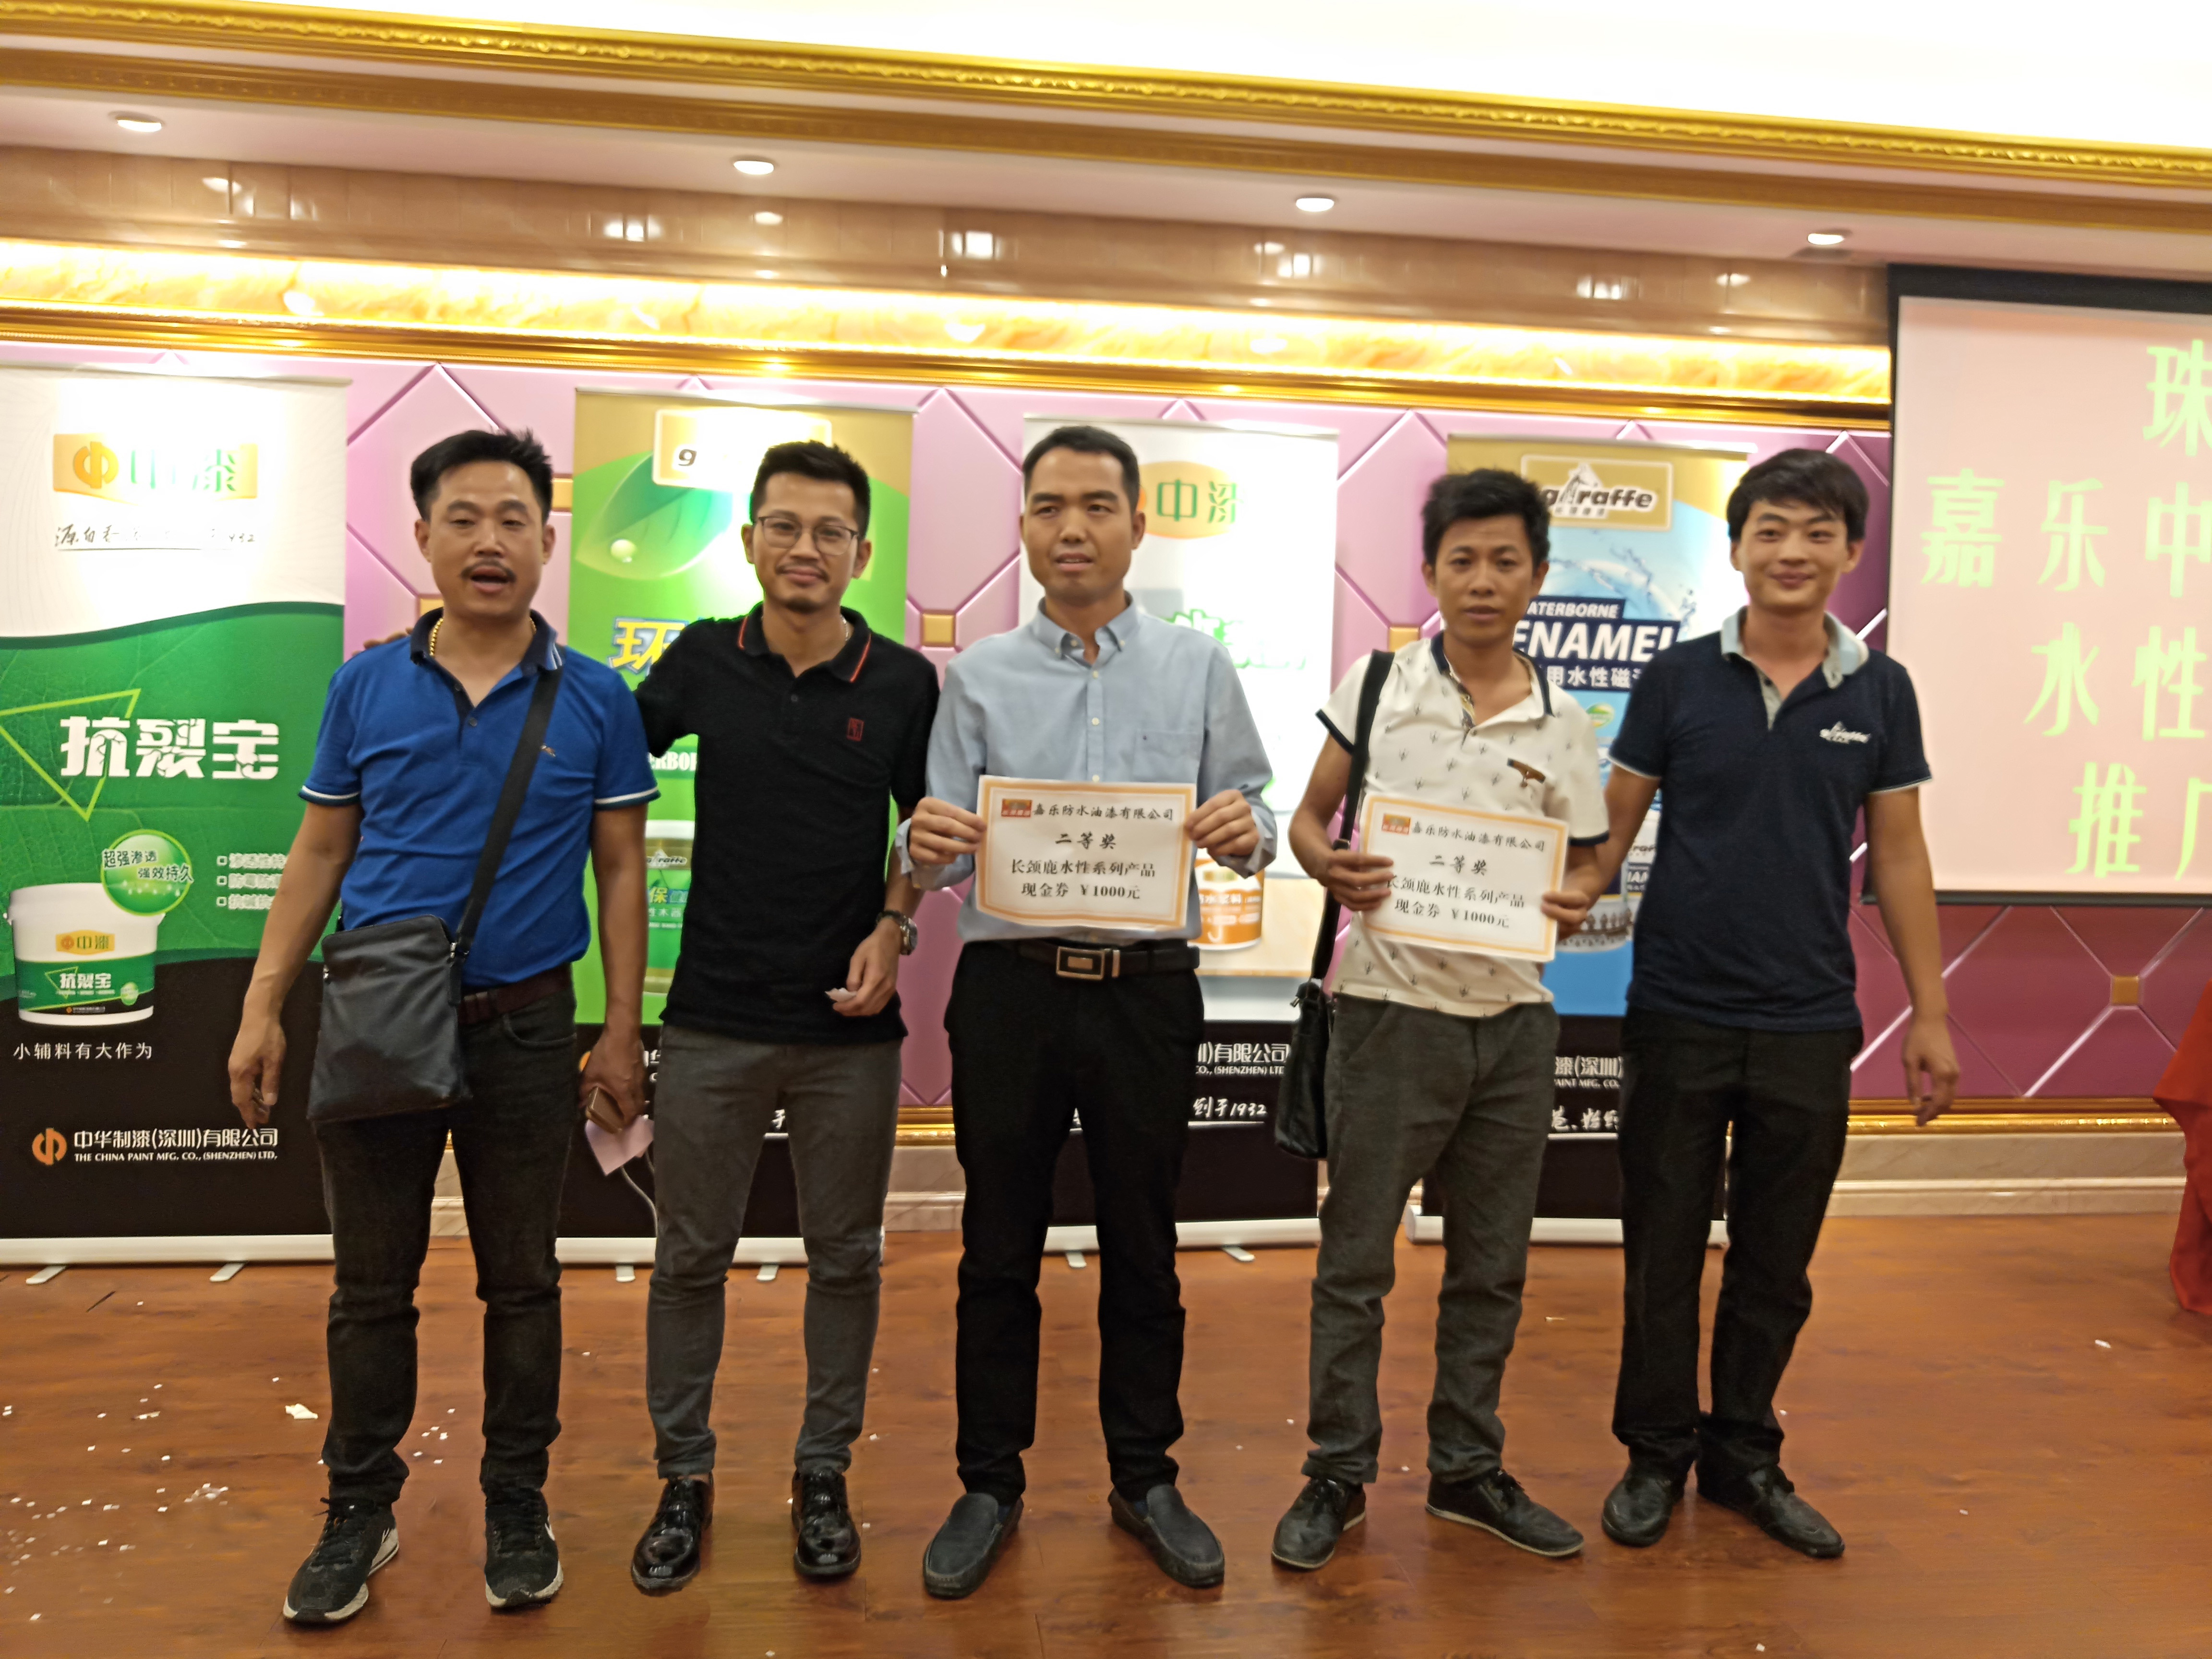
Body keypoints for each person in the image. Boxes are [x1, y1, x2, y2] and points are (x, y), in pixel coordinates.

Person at [227, 428, 655, 1623]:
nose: (489, 541)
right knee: (370, 1288)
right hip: (377, 1018)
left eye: (513, 519)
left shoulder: (596, 697)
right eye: (463, 518)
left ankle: (517, 1501)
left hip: (529, 1028)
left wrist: (623, 1029)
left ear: (548, 542)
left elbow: (622, 870)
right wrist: (263, 1005)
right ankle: (357, 1510)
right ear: (423, 537)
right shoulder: (365, 686)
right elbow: (322, 849)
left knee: (523, 1282)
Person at [1563, 447, 1960, 1560]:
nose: (1793, 551)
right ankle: (1654, 1452)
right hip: (1678, 1007)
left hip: (1808, 1017)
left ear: (1851, 550)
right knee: (1663, 1251)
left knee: (1777, 1261)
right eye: (1771, 531)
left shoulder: (1882, 690)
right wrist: (1558, 893)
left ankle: (1744, 1455)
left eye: (1818, 532)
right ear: (1737, 549)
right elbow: (1614, 826)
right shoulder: (1678, 678)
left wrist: (1931, 1015)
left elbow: (1901, 855)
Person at [903, 424, 1275, 1598]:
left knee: (1144, 1244)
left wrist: (1246, 832)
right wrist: (922, 845)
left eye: (1098, 506)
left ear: (1137, 525)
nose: (1073, 528)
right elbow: (941, 854)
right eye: (1050, 506)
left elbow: (1252, 820)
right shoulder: (978, 676)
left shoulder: (1198, 667)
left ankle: (1146, 1477)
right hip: (1010, 993)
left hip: (1146, 995)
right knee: (996, 1245)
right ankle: (988, 1483)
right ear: (1022, 526)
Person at [1268, 469, 1608, 1572]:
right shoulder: (1378, 686)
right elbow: (1308, 820)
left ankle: (1467, 1468)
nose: (1483, 580)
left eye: (1507, 560)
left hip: (1514, 1026)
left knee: (1491, 1264)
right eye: (1463, 559)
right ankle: (1336, 1471)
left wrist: (1581, 893)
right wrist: (1331, 866)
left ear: (1538, 577)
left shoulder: (1567, 724)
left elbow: (1590, 859)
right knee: (1355, 1260)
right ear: (1430, 572)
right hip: (1388, 1014)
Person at [624, 441, 939, 1593]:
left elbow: (929, 831)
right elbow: (606, 759)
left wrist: (896, 924)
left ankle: (822, 1473)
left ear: (862, 551)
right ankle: (684, 1477)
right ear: (752, 538)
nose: (807, 549)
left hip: (849, 1031)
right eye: (786, 528)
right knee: (687, 1260)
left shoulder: (902, 682)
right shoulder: (704, 658)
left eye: (831, 532)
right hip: (710, 1015)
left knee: (846, 1260)